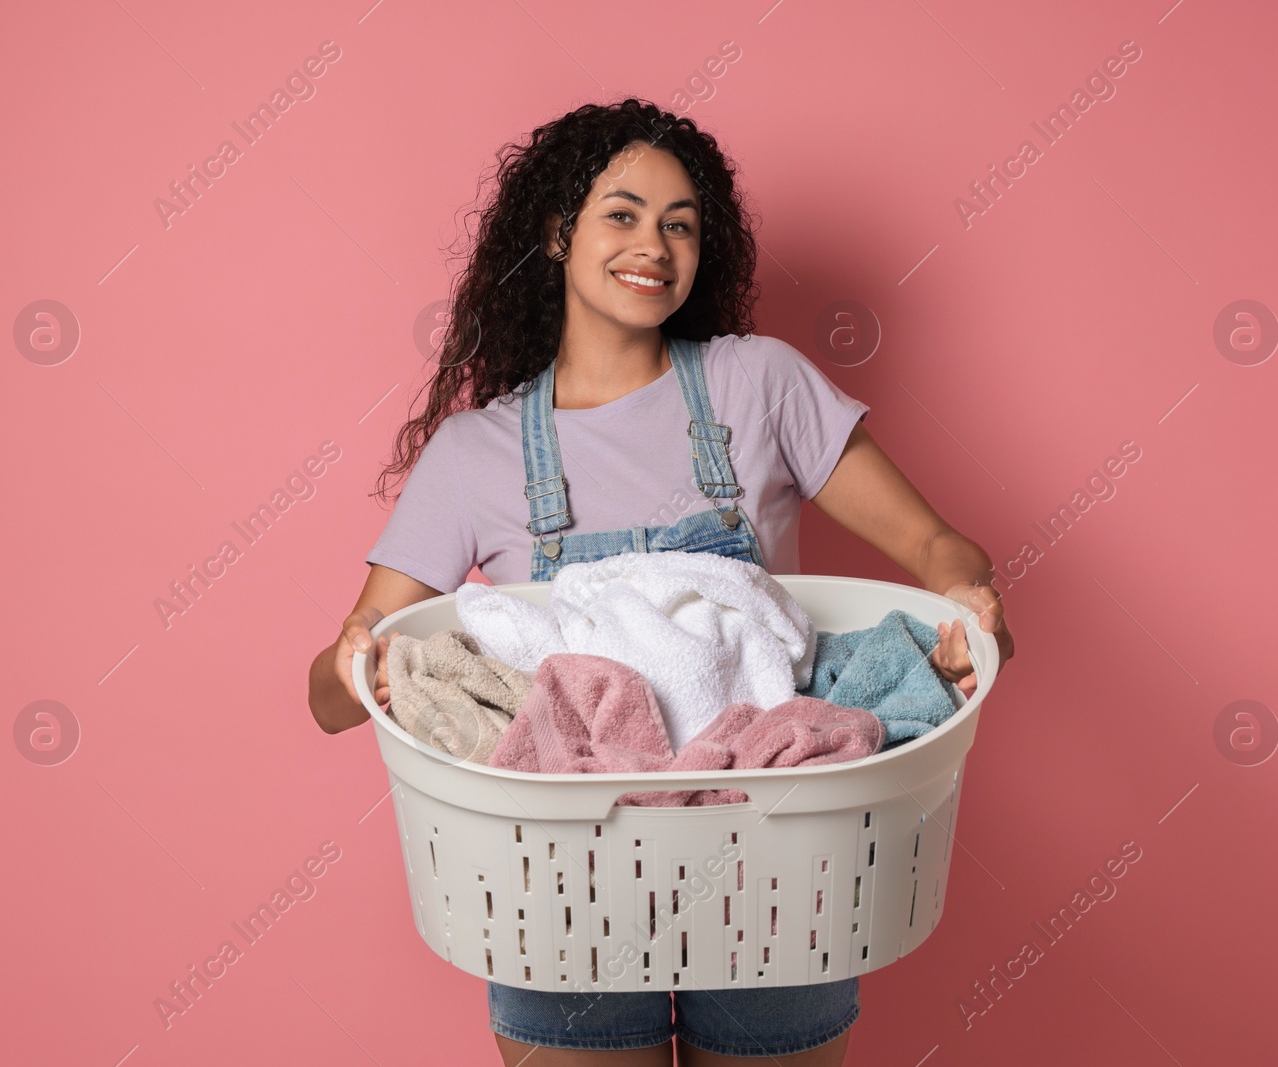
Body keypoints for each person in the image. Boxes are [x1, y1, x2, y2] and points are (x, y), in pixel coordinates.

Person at [307, 97, 1016, 1066]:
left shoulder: (758, 382)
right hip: (561, 884)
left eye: (680, 223)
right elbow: (331, 698)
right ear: (557, 233)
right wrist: (370, 667)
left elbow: (940, 547)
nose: (655, 244)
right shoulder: (476, 453)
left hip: (776, 864)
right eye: (624, 213)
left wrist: (969, 610)